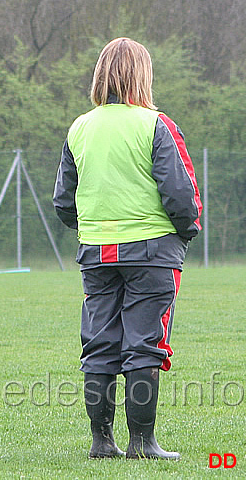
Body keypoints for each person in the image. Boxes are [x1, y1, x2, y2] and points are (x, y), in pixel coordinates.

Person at [53, 38, 202, 460]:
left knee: (99, 345)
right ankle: (142, 443)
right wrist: (186, 231)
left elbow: (64, 201)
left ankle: (102, 442)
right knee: (145, 344)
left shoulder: (79, 127)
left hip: (96, 252)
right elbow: (181, 192)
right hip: (152, 252)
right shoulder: (156, 124)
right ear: (143, 75)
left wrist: (94, 228)